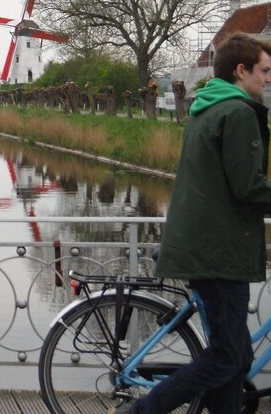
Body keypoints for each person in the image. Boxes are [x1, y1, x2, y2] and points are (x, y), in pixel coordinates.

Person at [109, 32, 271, 414]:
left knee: (233, 358)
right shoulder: (237, 113)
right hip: (219, 252)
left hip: (205, 245)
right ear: (241, 70)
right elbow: (249, 186)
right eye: (264, 71)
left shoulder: (206, 108)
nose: (268, 79)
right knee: (229, 357)